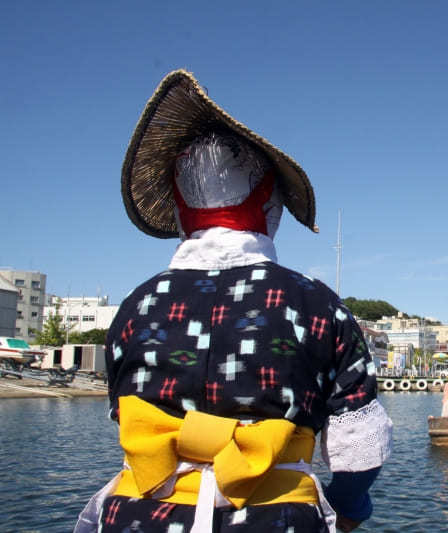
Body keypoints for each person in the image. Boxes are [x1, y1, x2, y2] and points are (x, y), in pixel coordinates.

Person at [75, 70, 393, 533]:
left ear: (180, 211)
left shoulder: (134, 305)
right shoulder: (317, 305)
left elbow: (123, 413)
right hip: (277, 518)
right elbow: (360, 448)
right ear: (271, 207)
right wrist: (349, 510)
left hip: (139, 517)